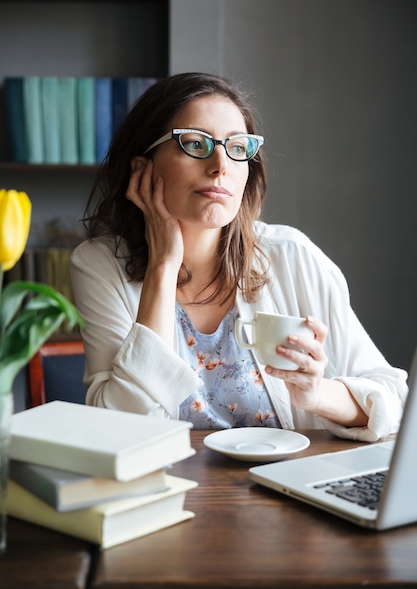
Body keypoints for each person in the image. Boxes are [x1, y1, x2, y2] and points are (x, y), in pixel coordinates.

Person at [70, 72, 407, 442]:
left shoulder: (292, 257)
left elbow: (395, 399)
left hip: (283, 489)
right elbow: (117, 430)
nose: (220, 166)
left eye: (237, 147)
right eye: (195, 144)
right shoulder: (100, 264)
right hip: (168, 495)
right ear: (143, 167)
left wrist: (317, 394)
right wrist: (163, 267)